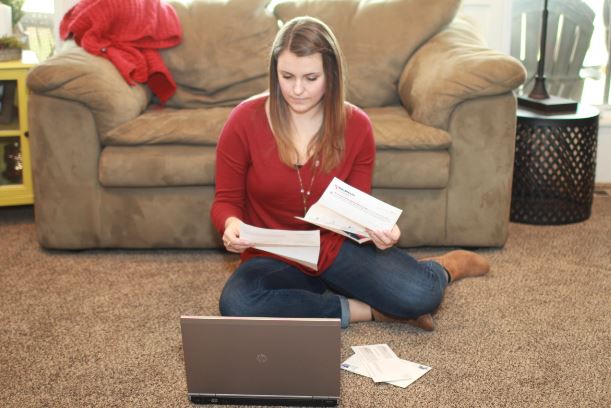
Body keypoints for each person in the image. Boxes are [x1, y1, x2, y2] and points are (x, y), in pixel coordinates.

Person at [210, 16, 490, 331]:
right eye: (287, 76)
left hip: (335, 248)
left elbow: (356, 206)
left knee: (421, 294)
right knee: (238, 303)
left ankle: (441, 269)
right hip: (272, 255)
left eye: (311, 77)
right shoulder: (243, 121)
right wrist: (231, 224)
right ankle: (366, 310)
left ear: (331, 75)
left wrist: (379, 232)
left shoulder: (356, 125)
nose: (297, 89)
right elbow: (226, 200)